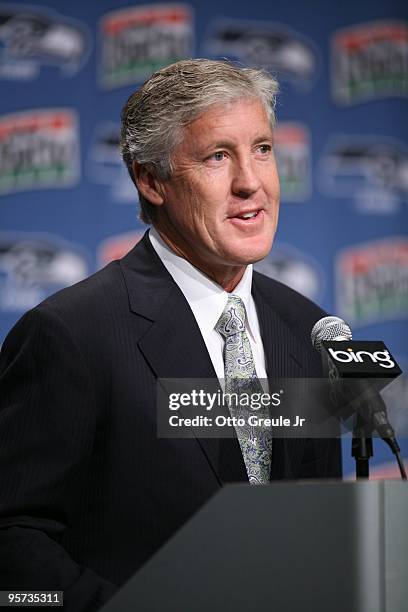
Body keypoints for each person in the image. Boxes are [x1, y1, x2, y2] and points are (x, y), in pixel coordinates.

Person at [0, 59, 341, 611]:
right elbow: (13, 542)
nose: (250, 183)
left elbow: (318, 525)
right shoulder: (72, 334)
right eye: (217, 156)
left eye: (262, 149)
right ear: (150, 179)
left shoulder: (306, 329)